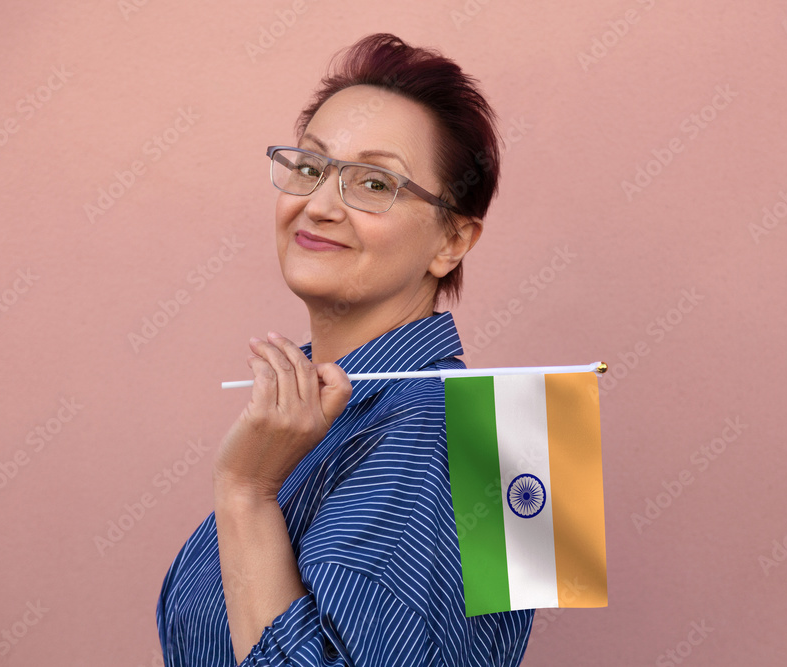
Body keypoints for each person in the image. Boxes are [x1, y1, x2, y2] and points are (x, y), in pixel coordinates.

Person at [157, 33, 534, 665]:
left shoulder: (442, 435)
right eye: (309, 167)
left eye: (374, 182)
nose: (320, 205)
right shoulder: (330, 419)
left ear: (453, 240)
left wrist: (246, 492)